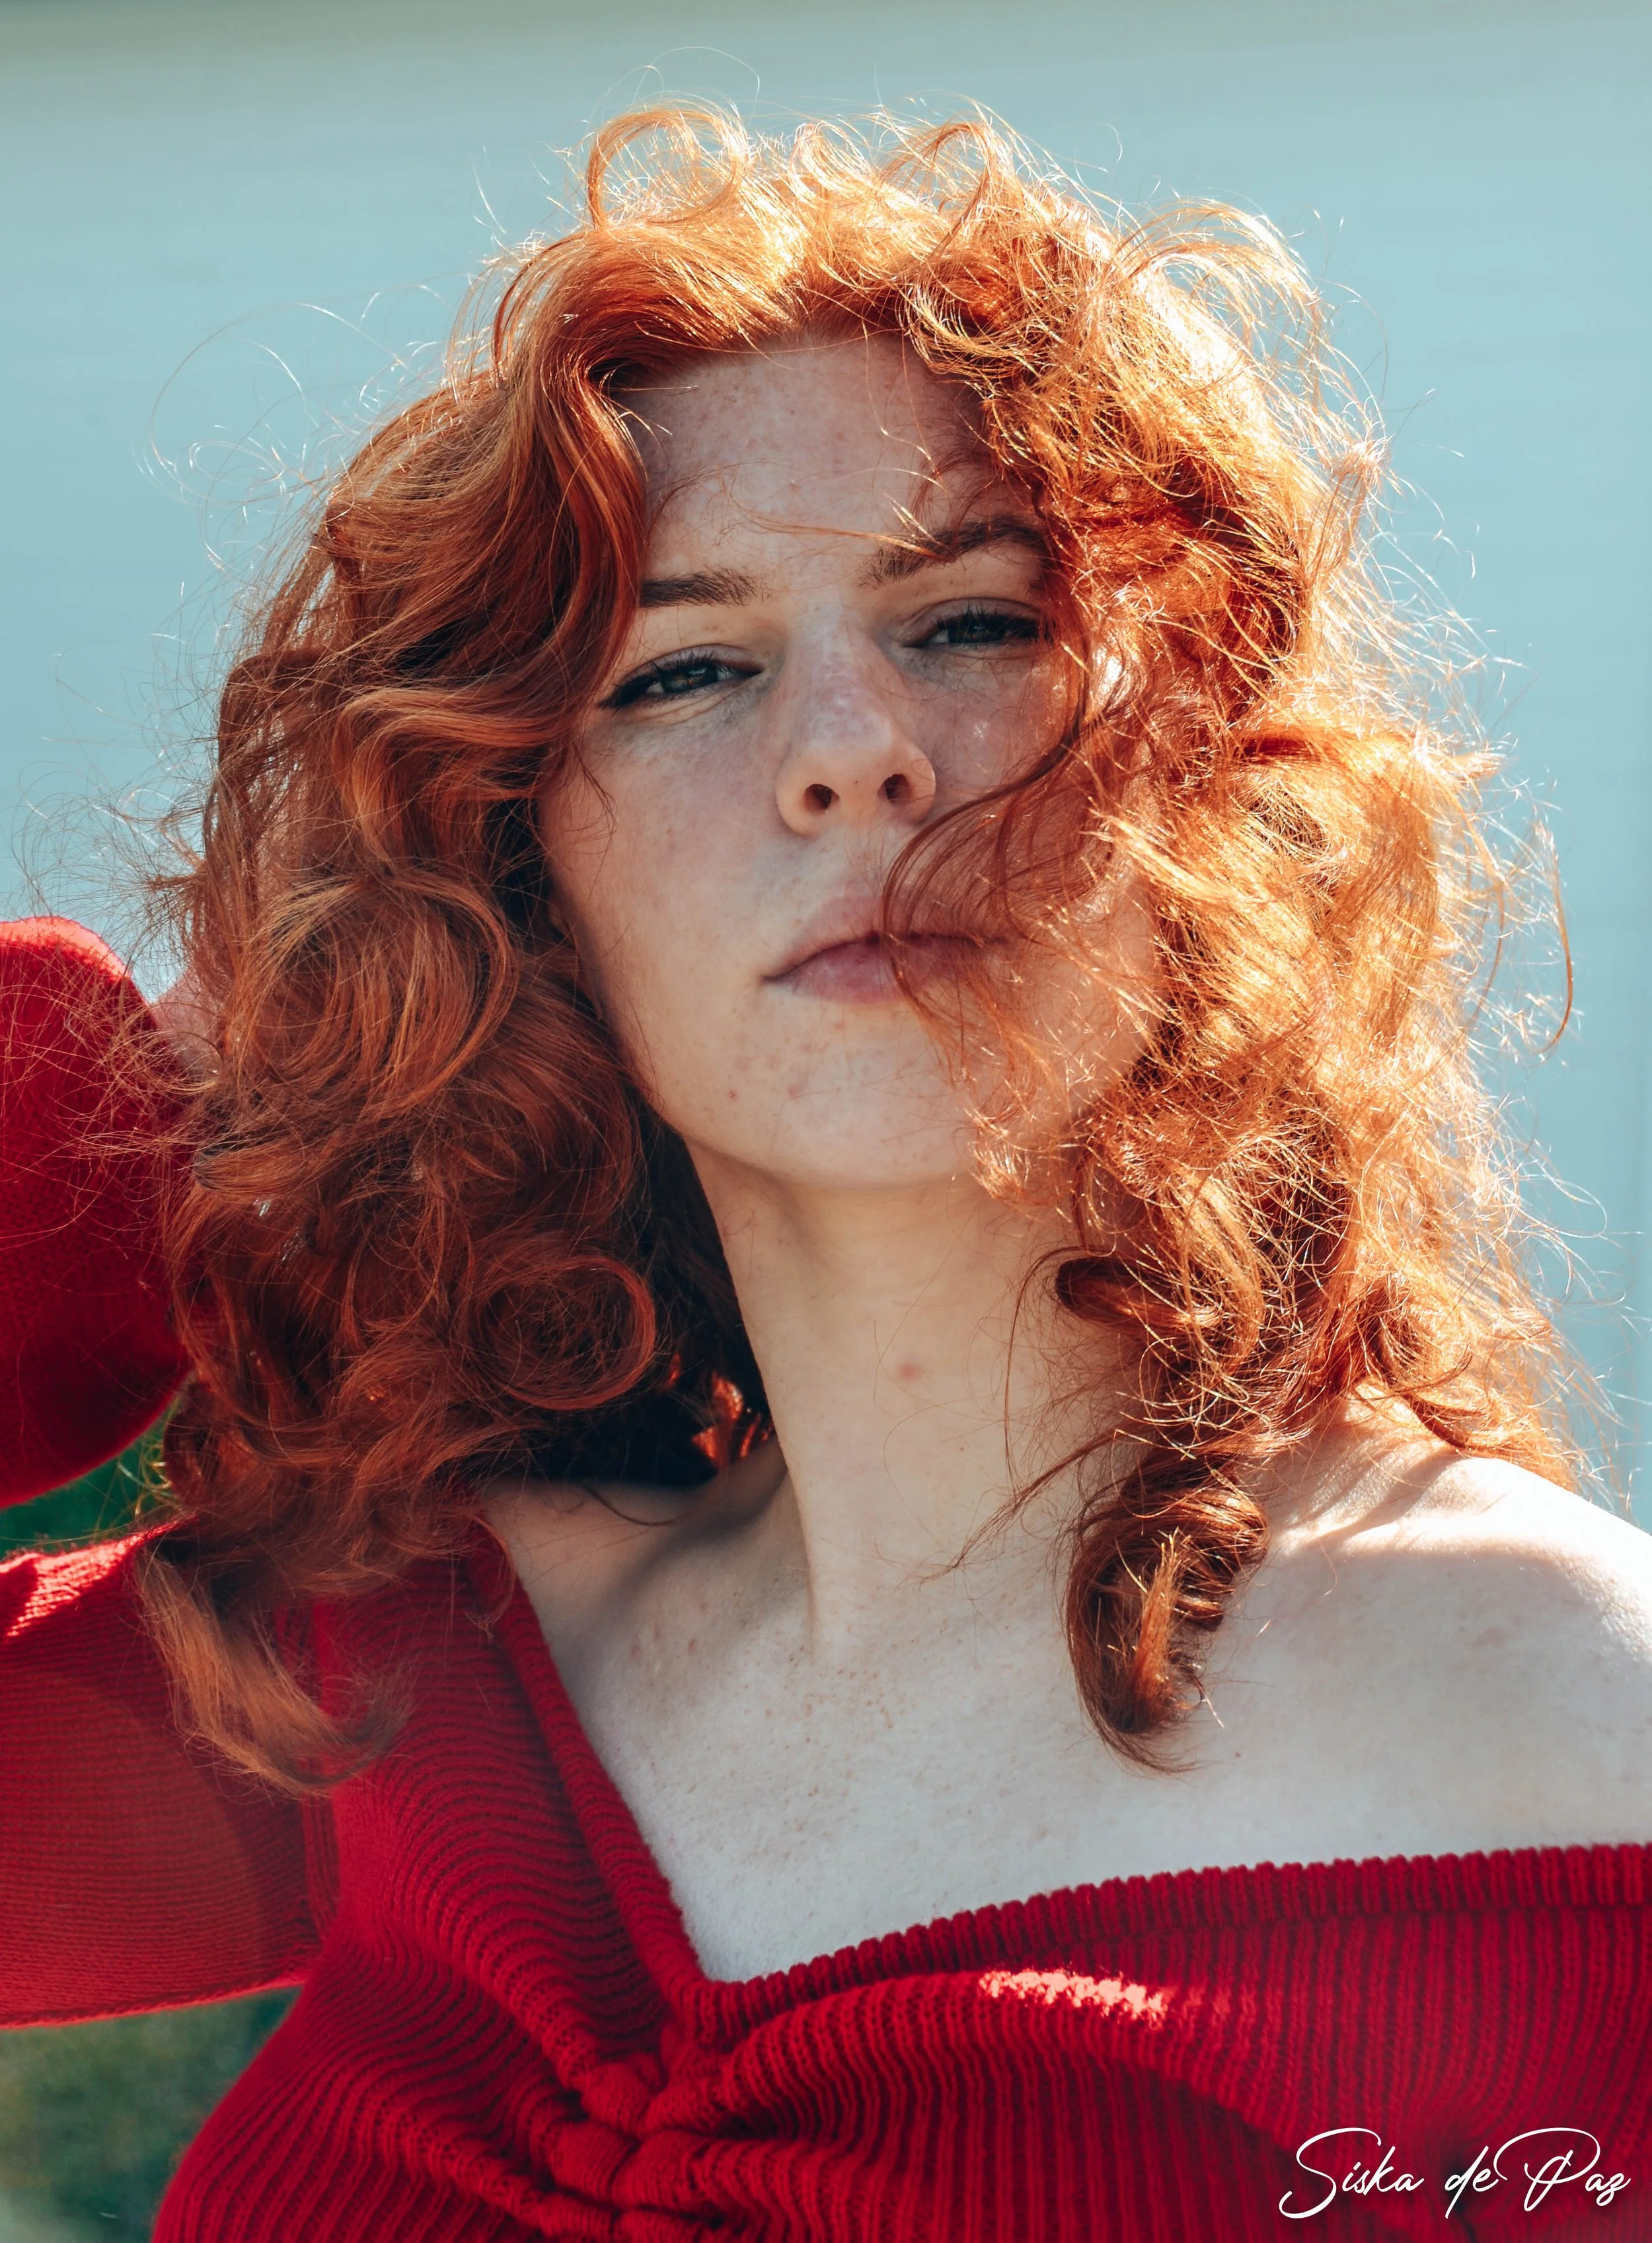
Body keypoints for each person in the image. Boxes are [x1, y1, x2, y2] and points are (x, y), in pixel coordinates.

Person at [1, 108, 1648, 2242]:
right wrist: (125, 1092)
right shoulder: (413, 1673)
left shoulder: (1568, 1723)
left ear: (1192, 781)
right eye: (686, 670)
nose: (851, 747)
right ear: (515, 867)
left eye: (965, 625)